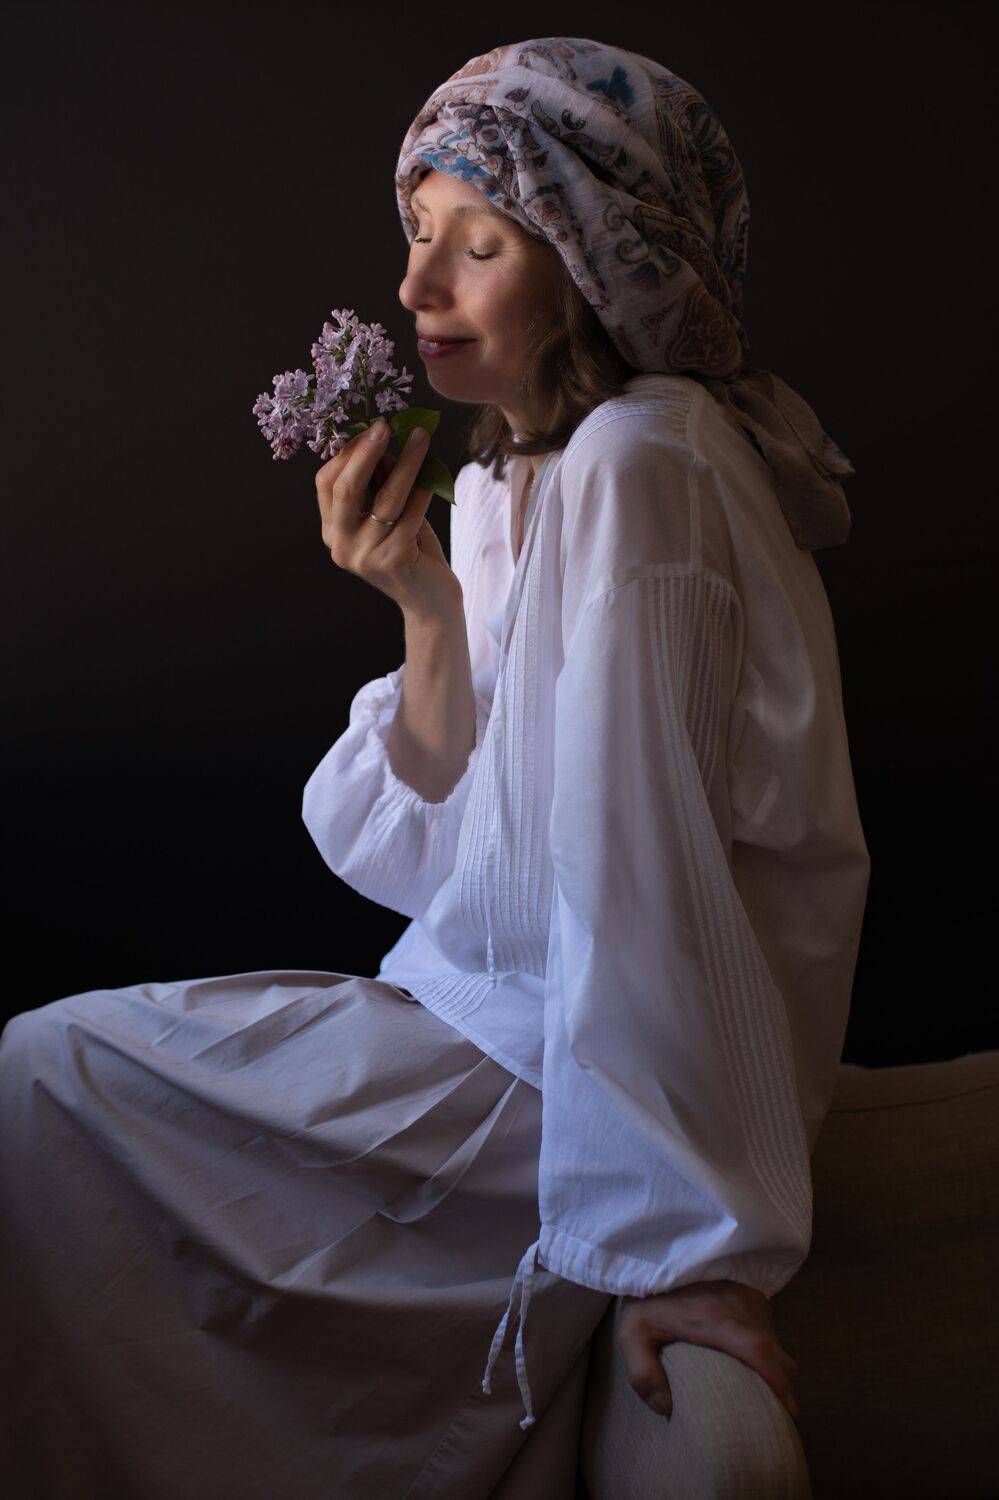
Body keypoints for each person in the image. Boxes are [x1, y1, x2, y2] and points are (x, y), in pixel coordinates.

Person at [0, 36, 870, 1500]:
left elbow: (646, 875)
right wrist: (425, 605)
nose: (416, 288)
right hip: (477, 1026)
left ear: (596, 267)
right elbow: (431, 853)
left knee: (46, 1080)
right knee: (46, 1079)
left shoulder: (644, 467)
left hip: (549, 1085)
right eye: (417, 234)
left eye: (479, 245)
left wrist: (692, 1252)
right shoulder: (521, 478)